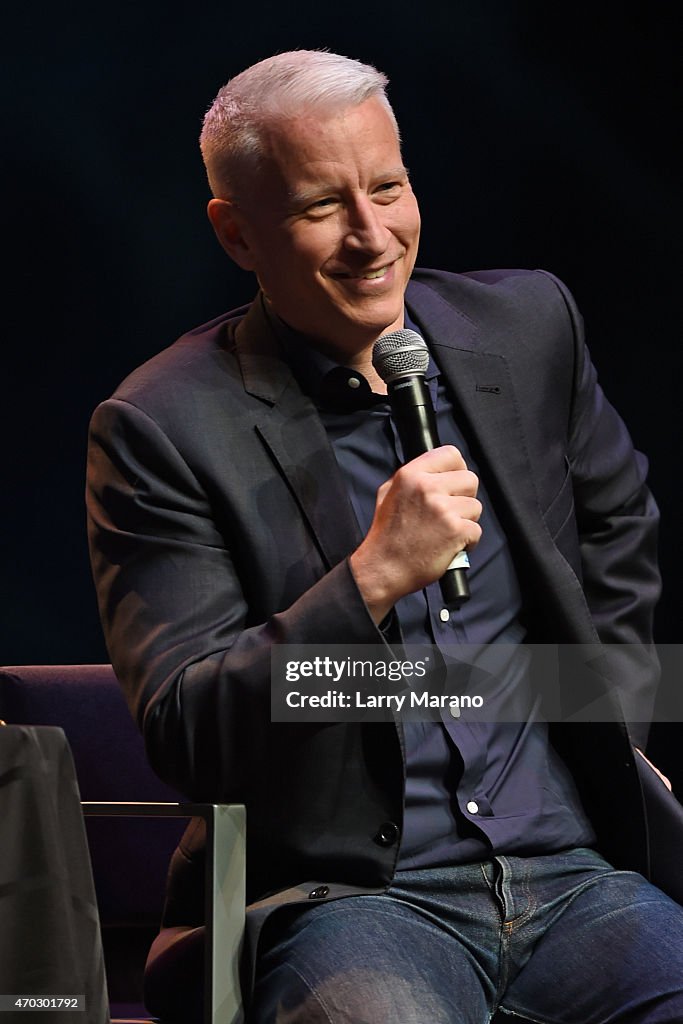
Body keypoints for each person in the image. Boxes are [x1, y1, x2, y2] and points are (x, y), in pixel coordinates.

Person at [86, 50, 683, 1023]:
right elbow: (186, 725)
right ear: (237, 235)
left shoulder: (527, 327)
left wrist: (596, 719)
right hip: (352, 898)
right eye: (322, 206)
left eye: (388, 188)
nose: (372, 236)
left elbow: (619, 529)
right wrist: (367, 579)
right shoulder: (161, 427)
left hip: (573, 871)